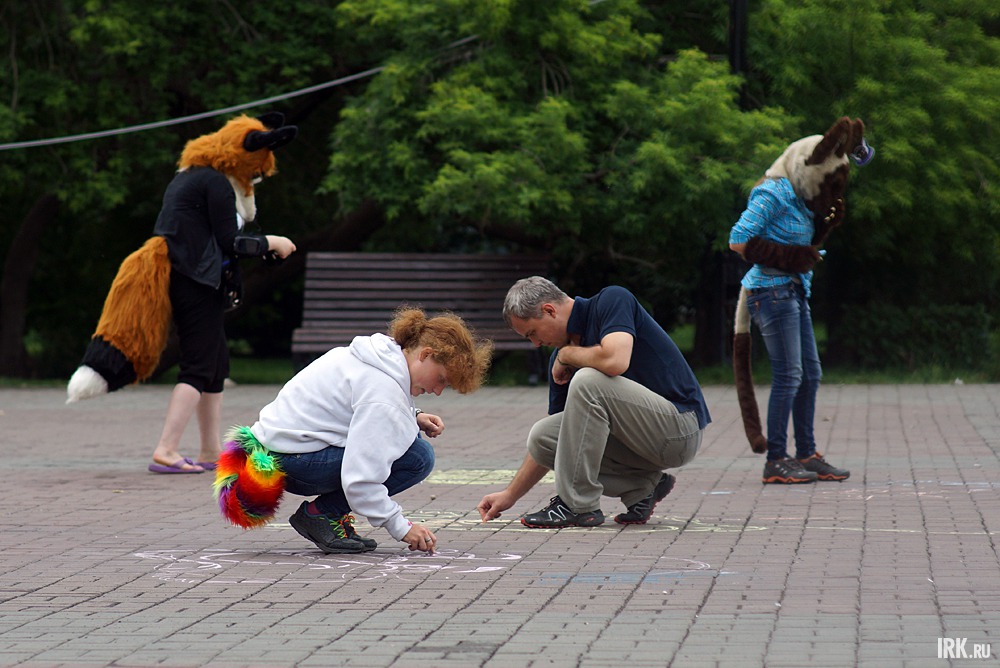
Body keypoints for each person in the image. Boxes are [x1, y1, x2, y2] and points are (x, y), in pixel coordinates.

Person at [218, 307, 492, 554]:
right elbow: (360, 478)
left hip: (276, 450)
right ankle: (321, 514)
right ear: (426, 355)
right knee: (417, 458)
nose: (438, 391)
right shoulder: (383, 392)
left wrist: (413, 415)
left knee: (412, 445)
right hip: (293, 462)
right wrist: (402, 527)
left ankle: (325, 514)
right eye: (441, 379)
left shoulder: (379, 355)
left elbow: (355, 407)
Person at [476, 277, 710, 528]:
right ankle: (643, 488)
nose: (535, 344)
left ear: (549, 310)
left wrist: (568, 355)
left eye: (533, 333)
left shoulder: (611, 300)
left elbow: (616, 361)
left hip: (680, 430)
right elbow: (567, 439)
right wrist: (510, 495)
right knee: (543, 436)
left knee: (588, 379)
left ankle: (577, 506)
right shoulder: (561, 357)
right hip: (639, 446)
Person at [148, 114, 298, 473]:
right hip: (195, 283)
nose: (255, 179)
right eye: (256, 170)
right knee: (199, 366)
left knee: (215, 367)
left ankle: (209, 450)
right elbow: (229, 241)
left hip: (195, 280)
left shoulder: (193, 176)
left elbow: (218, 242)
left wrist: (262, 249)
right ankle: (166, 449)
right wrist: (271, 242)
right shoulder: (214, 182)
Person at [728, 175, 851, 484]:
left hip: (795, 289)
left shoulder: (800, 200)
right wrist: (790, 257)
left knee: (810, 374)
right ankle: (776, 459)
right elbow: (738, 239)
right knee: (789, 376)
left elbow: (799, 243)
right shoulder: (772, 193)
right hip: (771, 292)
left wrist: (824, 227)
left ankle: (806, 454)